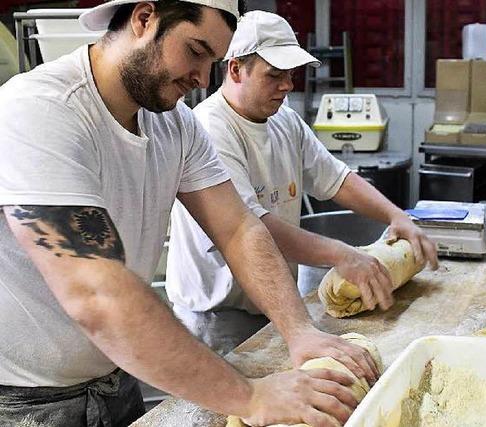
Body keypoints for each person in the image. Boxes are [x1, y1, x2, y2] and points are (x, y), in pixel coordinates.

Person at [0, 2, 380, 426]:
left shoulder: (175, 125)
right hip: (24, 400)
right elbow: (96, 293)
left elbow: (238, 228)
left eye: (213, 61)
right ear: (144, 19)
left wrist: (300, 331)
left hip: (116, 375)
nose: (202, 79)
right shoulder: (40, 110)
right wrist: (250, 397)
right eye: (196, 51)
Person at [167, 11, 439, 349]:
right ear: (236, 69)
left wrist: (396, 215)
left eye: (291, 75)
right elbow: (252, 227)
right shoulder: (209, 129)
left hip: (274, 301)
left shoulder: (285, 121)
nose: (288, 85)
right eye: (275, 75)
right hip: (218, 318)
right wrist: (342, 255)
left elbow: (336, 179)